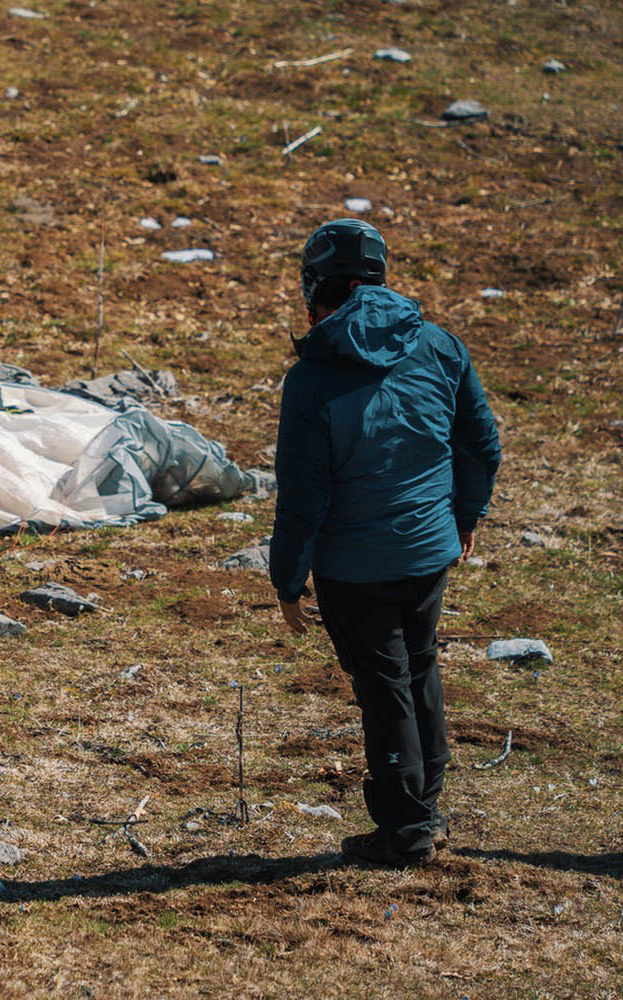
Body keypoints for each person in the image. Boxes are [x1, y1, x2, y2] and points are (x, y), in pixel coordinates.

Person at [268, 218, 501, 867]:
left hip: (354, 568)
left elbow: (302, 496)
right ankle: (423, 808)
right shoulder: (438, 345)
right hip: (427, 552)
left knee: (384, 686)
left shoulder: (312, 379)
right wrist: (463, 518)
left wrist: (286, 580)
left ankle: (405, 828)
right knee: (418, 668)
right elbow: (481, 444)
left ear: (314, 288)